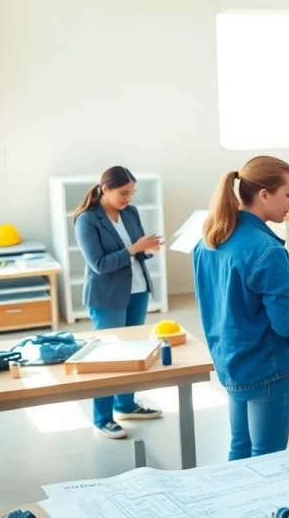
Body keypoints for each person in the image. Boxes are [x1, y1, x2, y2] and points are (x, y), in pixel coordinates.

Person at [193, 156, 289, 460]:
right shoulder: (268, 250)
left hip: (231, 364)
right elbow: (286, 323)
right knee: (269, 459)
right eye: (288, 194)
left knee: (239, 451)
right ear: (264, 194)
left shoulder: (210, 239)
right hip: (267, 369)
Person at [73, 166, 164, 440]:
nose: (128, 198)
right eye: (123, 193)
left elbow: (138, 253)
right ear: (105, 189)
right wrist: (135, 249)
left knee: (133, 351)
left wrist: (148, 250)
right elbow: (99, 264)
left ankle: (125, 405)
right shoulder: (87, 220)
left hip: (137, 291)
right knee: (108, 357)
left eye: (132, 193)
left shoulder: (130, 212)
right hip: (106, 297)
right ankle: (102, 419)